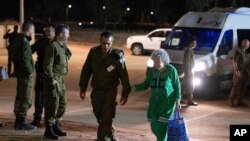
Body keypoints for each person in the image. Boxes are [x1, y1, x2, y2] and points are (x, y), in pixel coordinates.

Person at [79, 31, 131, 141]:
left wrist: (125, 93)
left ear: (112, 43)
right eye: (103, 43)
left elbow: (123, 74)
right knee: (98, 112)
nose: (106, 46)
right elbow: (86, 70)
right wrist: (82, 87)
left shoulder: (117, 55)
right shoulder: (93, 52)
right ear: (100, 41)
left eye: (108, 44)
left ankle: (102, 138)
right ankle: (110, 133)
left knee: (107, 114)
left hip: (110, 90)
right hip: (97, 89)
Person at [132, 48, 181, 141]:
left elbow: (177, 85)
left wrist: (178, 99)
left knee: (161, 130)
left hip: (167, 105)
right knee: (154, 127)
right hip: (154, 104)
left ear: (164, 61)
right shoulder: (152, 71)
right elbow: (145, 84)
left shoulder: (171, 70)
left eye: (158, 62)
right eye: (154, 62)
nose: (156, 64)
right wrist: (132, 88)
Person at [43, 24, 70, 140]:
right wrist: (51, 79)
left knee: (63, 104)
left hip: (61, 79)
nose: (69, 36)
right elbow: (47, 65)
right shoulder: (53, 45)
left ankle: (56, 125)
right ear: (61, 34)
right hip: (54, 80)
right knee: (52, 105)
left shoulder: (62, 45)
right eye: (67, 34)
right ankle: (49, 129)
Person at [10, 21, 36, 130]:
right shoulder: (24, 42)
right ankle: (21, 122)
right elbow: (25, 59)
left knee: (20, 97)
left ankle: (18, 121)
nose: (33, 33)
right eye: (33, 31)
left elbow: (12, 55)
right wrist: (30, 71)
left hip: (20, 73)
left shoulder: (16, 40)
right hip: (25, 75)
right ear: (29, 30)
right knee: (26, 98)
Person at [30, 24, 55, 127]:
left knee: (53, 98)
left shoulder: (56, 43)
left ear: (54, 32)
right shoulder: (41, 41)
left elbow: (67, 54)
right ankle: (37, 118)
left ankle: (53, 120)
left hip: (53, 76)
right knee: (39, 97)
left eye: (50, 31)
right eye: (46, 31)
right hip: (41, 73)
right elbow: (30, 51)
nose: (47, 33)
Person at [228, 39, 249, 107]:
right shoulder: (238, 51)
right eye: (247, 44)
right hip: (239, 71)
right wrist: (236, 71)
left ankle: (239, 101)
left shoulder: (245, 53)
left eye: (248, 44)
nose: (248, 45)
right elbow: (234, 61)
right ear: (243, 44)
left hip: (244, 72)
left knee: (242, 87)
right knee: (236, 86)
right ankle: (231, 100)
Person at [182, 38, 198, 106]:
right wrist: (188, 70)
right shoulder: (189, 50)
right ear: (190, 43)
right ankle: (189, 100)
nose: (195, 44)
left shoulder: (189, 50)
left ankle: (178, 98)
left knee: (184, 85)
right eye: (194, 43)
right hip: (189, 70)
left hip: (189, 70)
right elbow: (187, 61)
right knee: (190, 85)